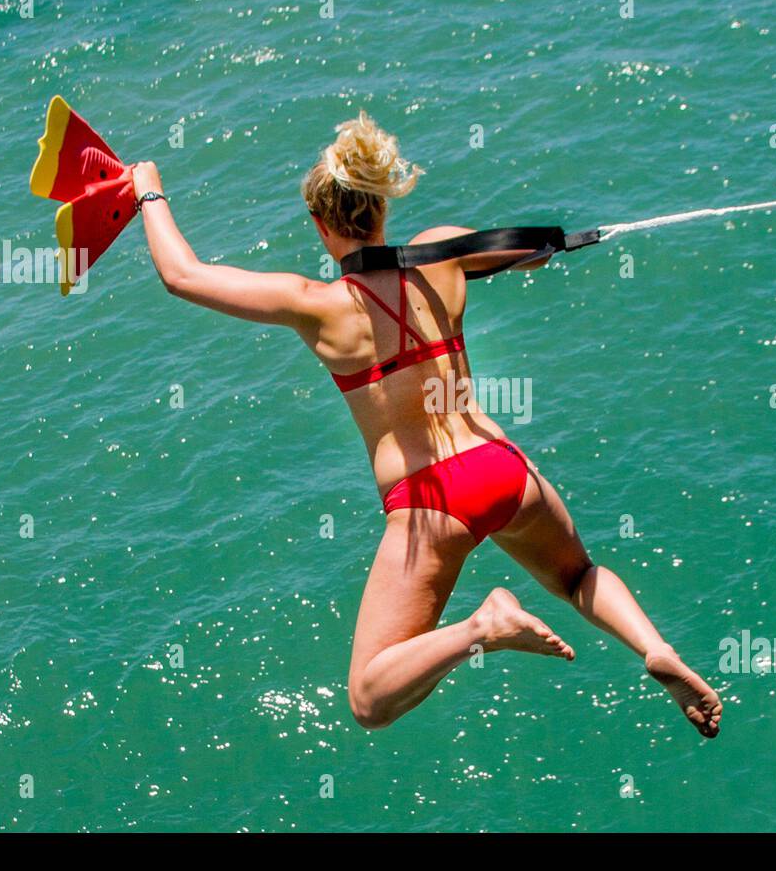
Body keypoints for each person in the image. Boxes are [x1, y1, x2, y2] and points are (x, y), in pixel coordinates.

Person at [131, 112, 722, 736]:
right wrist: (534, 246)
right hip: (503, 467)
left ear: (320, 224)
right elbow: (530, 258)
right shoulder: (442, 255)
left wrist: (150, 189)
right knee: (577, 575)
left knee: (368, 698)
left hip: (432, 500)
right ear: (381, 206)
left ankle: (483, 627)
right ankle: (656, 649)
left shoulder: (319, 306)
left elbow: (182, 276)